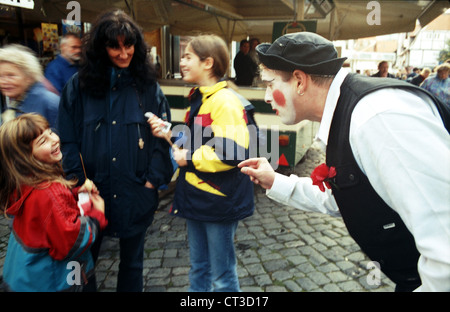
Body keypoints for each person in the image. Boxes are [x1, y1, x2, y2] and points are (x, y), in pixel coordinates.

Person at [238, 32, 450, 292]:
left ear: (299, 81)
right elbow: (347, 197)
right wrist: (275, 181)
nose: (267, 96)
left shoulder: (375, 117)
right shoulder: (351, 112)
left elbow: (445, 238)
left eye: (270, 84)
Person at [57, 9, 174, 292]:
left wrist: (152, 181)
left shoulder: (148, 88)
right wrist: (77, 180)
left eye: (129, 44)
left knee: (132, 264)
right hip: (92, 194)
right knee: (85, 263)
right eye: (114, 46)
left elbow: (163, 138)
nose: (124, 54)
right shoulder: (78, 87)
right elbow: (68, 140)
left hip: (136, 191)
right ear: (100, 48)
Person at [149, 34, 254, 292]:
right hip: (200, 196)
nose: (182, 62)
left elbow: (233, 152)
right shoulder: (203, 97)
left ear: (207, 63)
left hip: (218, 199)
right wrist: (168, 132)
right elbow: (198, 139)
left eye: (187, 57)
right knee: (199, 267)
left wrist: (190, 158)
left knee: (221, 277)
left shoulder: (224, 101)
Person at [0, 113, 107, 292]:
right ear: (25, 157)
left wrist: (72, 194)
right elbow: (71, 242)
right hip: (57, 281)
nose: (55, 139)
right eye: (43, 141)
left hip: (26, 277)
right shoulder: (49, 191)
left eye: (50, 132)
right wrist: (96, 215)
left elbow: (46, 213)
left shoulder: (25, 182)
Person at [0, 44, 59, 127]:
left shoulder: (48, 102)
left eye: (11, 75)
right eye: (1, 76)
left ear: (29, 77)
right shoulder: (15, 102)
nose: (4, 81)